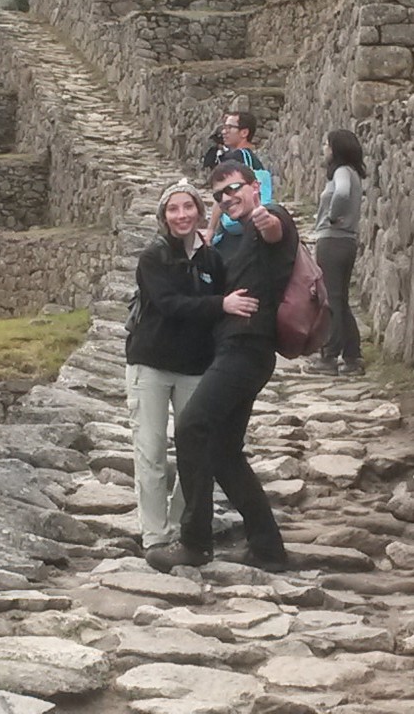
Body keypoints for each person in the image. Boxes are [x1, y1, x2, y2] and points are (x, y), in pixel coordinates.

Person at [147, 161, 299, 574]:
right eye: (219, 195)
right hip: (237, 351)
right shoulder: (237, 237)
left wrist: (265, 217)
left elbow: (274, 228)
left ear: (254, 186)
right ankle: (268, 548)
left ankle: (195, 542)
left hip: (245, 349)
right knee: (224, 452)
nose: (228, 198)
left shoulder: (269, 218)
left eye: (234, 188)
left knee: (192, 427)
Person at [125, 179, 259, 566]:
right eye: (173, 209)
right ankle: (154, 535)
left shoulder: (212, 261)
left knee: (194, 452)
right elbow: (170, 304)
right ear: (164, 216)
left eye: (188, 207)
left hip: (195, 367)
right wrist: (221, 304)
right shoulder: (153, 258)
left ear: (200, 213)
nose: (181, 215)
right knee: (150, 451)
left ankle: (182, 527)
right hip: (150, 363)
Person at [305, 129, 366, 377]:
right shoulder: (353, 173)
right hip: (347, 242)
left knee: (330, 299)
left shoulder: (341, 172)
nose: (323, 149)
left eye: (326, 144)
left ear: (335, 149)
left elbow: (341, 193)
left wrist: (332, 216)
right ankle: (353, 356)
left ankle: (329, 356)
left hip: (333, 240)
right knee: (340, 299)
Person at [205, 111, 272, 262]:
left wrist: (210, 230)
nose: (224, 131)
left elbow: (223, 195)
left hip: (237, 229)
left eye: (230, 127)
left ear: (244, 133)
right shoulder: (252, 158)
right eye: (224, 127)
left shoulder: (236, 158)